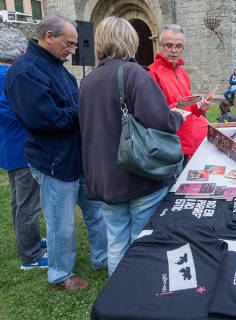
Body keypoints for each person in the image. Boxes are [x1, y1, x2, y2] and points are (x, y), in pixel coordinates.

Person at [5, 14, 108, 290]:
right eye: (69, 44)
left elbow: (70, 104)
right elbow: (45, 119)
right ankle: (60, 274)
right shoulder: (25, 71)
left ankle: (104, 257)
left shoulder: (56, 65)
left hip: (77, 155)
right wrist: (83, 111)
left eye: (75, 45)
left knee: (95, 210)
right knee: (61, 223)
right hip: (54, 160)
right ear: (49, 36)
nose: (73, 50)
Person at [79, 17, 184, 276]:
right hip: (137, 173)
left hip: (104, 176)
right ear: (130, 41)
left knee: (116, 241)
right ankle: (136, 297)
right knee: (142, 240)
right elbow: (162, 122)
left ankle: (118, 298)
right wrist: (178, 115)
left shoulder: (88, 80)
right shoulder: (134, 73)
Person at [0, 28, 47, 270]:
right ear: (20, 52)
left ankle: (30, 241)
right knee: (28, 204)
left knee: (19, 202)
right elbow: (24, 112)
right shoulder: (10, 76)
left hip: (9, 147)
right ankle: (31, 255)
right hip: (22, 147)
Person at [148, 24, 210, 168]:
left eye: (179, 46)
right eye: (169, 45)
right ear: (160, 45)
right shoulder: (151, 73)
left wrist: (201, 107)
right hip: (167, 145)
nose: (174, 50)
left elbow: (190, 109)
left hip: (186, 144)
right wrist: (176, 107)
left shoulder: (183, 73)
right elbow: (151, 115)